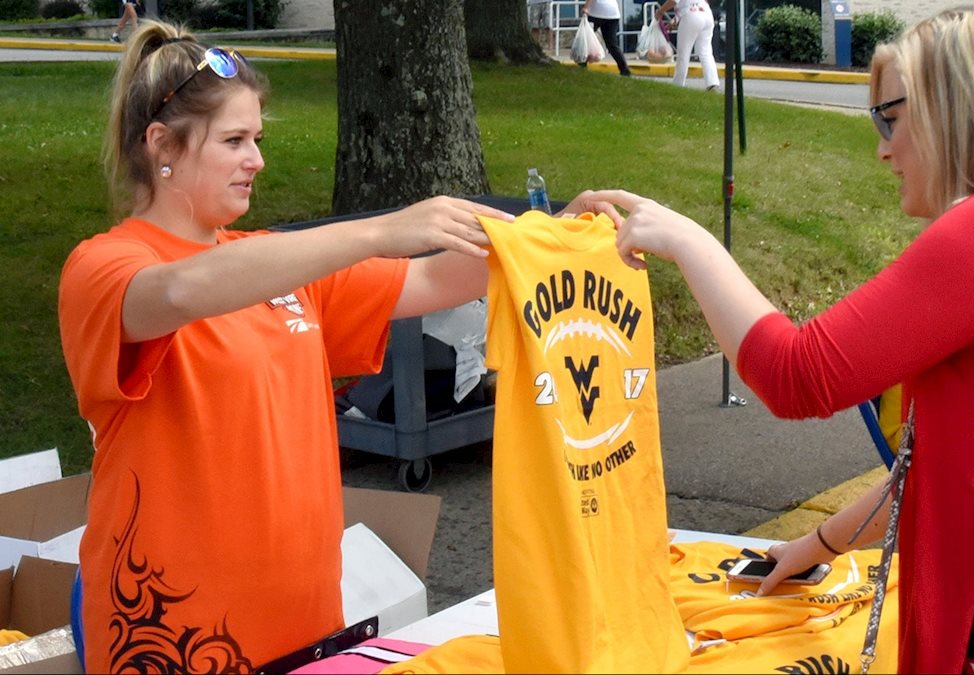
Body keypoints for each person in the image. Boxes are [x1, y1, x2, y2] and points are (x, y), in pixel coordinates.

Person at [592, 6, 974, 673]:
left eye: (891, 117)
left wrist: (688, 240)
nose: (882, 148)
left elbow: (798, 374)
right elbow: (947, 470)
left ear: (955, 107)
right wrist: (818, 544)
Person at [57, 20, 614, 673]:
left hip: (304, 624)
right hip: (175, 637)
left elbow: (430, 278)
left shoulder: (275, 265)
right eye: (235, 140)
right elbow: (179, 293)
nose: (257, 160)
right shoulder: (104, 268)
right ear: (161, 146)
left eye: (257, 139)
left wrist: (551, 237)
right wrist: (379, 230)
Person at [655, 0, 719, 91]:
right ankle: (712, 82)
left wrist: (660, 11)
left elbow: (674, 1)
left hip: (692, 14)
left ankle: (678, 85)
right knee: (705, 51)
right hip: (706, 13)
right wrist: (676, 19)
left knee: (683, 53)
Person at [581, 0, 631, 77]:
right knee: (612, 44)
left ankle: (581, 66)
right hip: (613, 13)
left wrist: (586, 7)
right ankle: (624, 70)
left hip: (596, 13)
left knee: (585, 39)